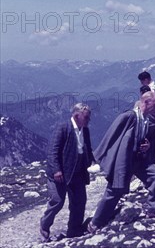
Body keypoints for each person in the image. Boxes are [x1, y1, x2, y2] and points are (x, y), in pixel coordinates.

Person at [88, 91, 155, 232]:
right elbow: (111, 134)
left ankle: (153, 209)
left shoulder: (145, 119)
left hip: (138, 160)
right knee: (114, 191)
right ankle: (95, 223)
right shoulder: (129, 116)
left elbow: (141, 139)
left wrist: (147, 146)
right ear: (146, 102)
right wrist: (99, 156)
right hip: (124, 161)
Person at [40, 103, 95, 241]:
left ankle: (74, 229)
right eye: (86, 117)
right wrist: (56, 170)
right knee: (57, 201)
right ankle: (44, 226)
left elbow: (87, 149)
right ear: (77, 116)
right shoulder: (63, 128)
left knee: (79, 201)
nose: (89, 120)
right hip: (61, 174)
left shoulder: (85, 130)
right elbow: (52, 151)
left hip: (78, 173)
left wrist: (95, 161)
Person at [137, 71, 155, 164]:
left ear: (146, 79)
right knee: (154, 134)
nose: (141, 83)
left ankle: (151, 157)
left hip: (150, 112)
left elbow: (151, 100)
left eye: (142, 81)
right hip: (154, 111)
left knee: (150, 134)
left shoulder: (152, 88)